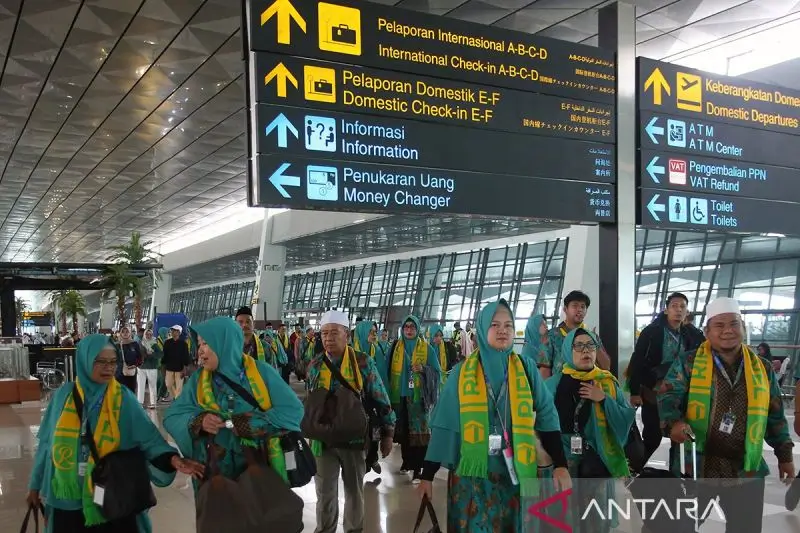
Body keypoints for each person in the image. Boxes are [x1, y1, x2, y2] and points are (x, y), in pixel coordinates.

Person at [418, 300, 570, 532]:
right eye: (495, 324)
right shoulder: (462, 372)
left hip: (517, 475)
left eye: (509, 325)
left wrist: (560, 464)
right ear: (481, 328)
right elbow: (445, 425)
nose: (503, 330)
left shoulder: (526, 368)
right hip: (471, 478)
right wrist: (427, 475)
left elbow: (547, 416)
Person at [27, 334, 203, 532]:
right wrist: (34, 486)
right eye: (100, 361)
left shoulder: (123, 399)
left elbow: (150, 438)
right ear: (84, 360)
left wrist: (172, 460)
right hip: (67, 496)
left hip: (111, 494)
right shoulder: (63, 396)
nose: (108, 367)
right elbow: (45, 446)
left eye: (112, 362)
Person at [659, 297, 795, 533]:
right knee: (678, 528)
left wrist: (784, 454)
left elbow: (774, 414)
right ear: (707, 331)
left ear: (742, 327)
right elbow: (668, 397)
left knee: (746, 528)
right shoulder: (688, 363)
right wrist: (674, 423)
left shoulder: (761, 368)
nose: (728, 331)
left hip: (745, 468)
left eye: (734, 324)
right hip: (697, 466)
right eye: (719, 325)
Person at [163, 317, 303, 492]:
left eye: (206, 344)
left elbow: (292, 411)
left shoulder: (261, 373)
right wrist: (198, 420)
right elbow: (173, 415)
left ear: (225, 343)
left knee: (254, 516)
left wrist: (244, 424)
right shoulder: (198, 380)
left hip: (257, 472)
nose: (200, 351)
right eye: (199, 345)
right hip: (213, 475)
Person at [306, 311, 395, 533]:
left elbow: (380, 396)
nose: (328, 338)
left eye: (334, 333)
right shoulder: (316, 364)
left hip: (353, 438)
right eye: (324, 333)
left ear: (347, 334)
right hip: (322, 439)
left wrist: (388, 433)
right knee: (324, 492)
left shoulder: (362, 362)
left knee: (354, 491)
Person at [546, 328, 634, 533]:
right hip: (563, 458)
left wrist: (603, 399)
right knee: (565, 515)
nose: (586, 351)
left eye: (590, 345)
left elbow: (626, 419)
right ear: (568, 350)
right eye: (579, 346)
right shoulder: (553, 385)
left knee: (595, 516)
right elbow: (541, 423)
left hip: (596, 457)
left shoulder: (607, 383)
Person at [628, 292, 705, 462]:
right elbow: (638, 361)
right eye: (674, 306)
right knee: (652, 436)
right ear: (666, 310)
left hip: (681, 393)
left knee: (678, 438)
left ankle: (674, 475)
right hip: (654, 391)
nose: (678, 310)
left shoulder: (690, 334)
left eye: (682, 307)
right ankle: (637, 471)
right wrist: (634, 391)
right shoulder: (652, 332)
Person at [385, 315, 441, 482]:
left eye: (412, 327)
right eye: (406, 327)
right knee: (403, 433)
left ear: (417, 329)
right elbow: (386, 371)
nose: (409, 330)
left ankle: (418, 469)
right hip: (399, 396)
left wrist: (423, 369)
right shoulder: (395, 347)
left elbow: (437, 373)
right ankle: (406, 462)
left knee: (419, 434)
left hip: (418, 398)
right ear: (402, 329)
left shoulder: (427, 348)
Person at [539, 290, 610, 378]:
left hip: (588, 388)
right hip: (560, 387)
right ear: (565, 309)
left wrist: (595, 342)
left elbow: (606, 366)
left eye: (583, 307)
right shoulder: (552, 336)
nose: (579, 310)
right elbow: (544, 369)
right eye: (575, 306)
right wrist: (547, 390)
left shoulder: (591, 336)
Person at [162, 326, 190, 401]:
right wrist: (163, 366)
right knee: (168, 384)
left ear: (179, 333)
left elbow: (186, 356)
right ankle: (175, 397)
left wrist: (184, 368)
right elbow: (164, 355)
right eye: (172, 330)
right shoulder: (167, 342)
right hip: (169, 367)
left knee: (179, 387)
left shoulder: (183, 344)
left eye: (175, 330)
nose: (173, 332)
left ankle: (177, 402)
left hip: (179, 368)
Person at [137, 329, 161, 409]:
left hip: (152, 367)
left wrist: (152, 354)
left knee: (152, 385)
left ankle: (153, 403)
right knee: (140, 385)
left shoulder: (154, 344)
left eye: (150, 334)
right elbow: (138, 353)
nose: (148, 336)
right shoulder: (141, 343)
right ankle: (140, 402)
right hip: (141, 367)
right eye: (147, 334)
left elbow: (160, 354)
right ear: (144, 334)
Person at [115, 326, 142, 394]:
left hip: (131, 373)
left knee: (131, 392)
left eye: (127, 331)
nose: (125, 333)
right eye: (123, 332)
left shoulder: (134, 344)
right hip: (119, 373)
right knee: (120, 392)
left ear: (130, 333)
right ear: (120, 333)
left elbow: (139, 358)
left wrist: (135, 365)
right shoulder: (117, 345)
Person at [428, 325, 455, 389]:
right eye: (436, 335)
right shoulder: (427, 348)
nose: (439, 338)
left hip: (445, 377)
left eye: (441, 335)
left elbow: (453, 361)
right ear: (431, 335)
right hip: (431, 379)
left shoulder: (448, 346)